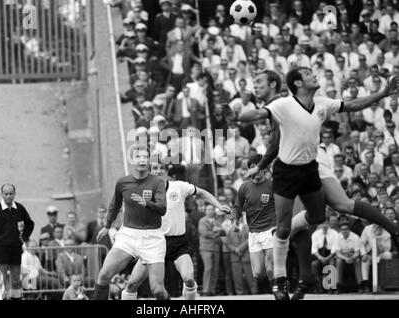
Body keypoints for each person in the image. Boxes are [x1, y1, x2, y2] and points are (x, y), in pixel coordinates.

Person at [240, 68, 399, 300]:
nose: (255, 87)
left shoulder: (284, 104)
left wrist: (262, 164)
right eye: (254, 83)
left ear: (274, 85)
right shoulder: (281, 105)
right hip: (297, 164)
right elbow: (272, 140)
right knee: (312, 218)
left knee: (322, 213)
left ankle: (299, 273)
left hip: (310, 161)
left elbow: (275, 145)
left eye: (260, 82)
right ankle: (303, 276)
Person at [121, 162, 231, 300]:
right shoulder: (143, 192)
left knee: (189, 279)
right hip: (154, 244)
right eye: (155, 168)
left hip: (177, 242)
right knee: (132, 285)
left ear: (167, 172)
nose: (159, 171)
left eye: (162, 168)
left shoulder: (179, 187)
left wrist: (219, 205)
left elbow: (202, 193)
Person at [93, 144, 169, 300]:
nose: (142, 160)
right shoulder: (123, 182)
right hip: (128, 234)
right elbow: (114, 205)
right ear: (132, 160)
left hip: (152, 238)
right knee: (104, 274)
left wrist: (146, 203)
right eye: (138, 157)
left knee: (158, 290)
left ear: (148, 160)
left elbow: (162, 209)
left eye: (145, 157)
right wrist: (107, 226)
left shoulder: (157, 182)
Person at [232, 154, 276, 293]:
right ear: (250, 169)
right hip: (254, 232)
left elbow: (282, 205)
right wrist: (235, 221)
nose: (257, 171)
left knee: (270, 268)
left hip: (271, 228)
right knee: (258, 273)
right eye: (253, 168)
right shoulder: (244, 187)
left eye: (260, 167)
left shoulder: (273, 185)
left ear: (264, 169)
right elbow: (237, 207)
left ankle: (278, 290)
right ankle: (279, 280)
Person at [0, 184, 34, 300]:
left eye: (10, 194)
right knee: (1, 280)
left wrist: (24, 237)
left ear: (14, 194)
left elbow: (30, 223)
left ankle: (16, 298)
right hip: (1, 249)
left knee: (16, 280)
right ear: (2, 195)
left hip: (16, 249)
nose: (8, 196)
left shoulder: (19, 208)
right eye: (6, 194)